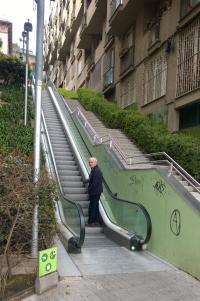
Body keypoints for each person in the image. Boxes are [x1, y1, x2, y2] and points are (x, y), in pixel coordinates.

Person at [85, 157, 103, 226]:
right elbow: (92, 179)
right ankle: (96, 221)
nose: (90, 163)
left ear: (95, 162)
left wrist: (89, 190)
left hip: (95, 192)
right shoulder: (95, 169)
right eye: (89, 162)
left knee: (92, 207)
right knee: (95, 206)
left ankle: (91, 222)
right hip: (97, 191)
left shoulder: (96, 171)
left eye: (91, 162)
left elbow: (94, 183)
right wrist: (87, 180)